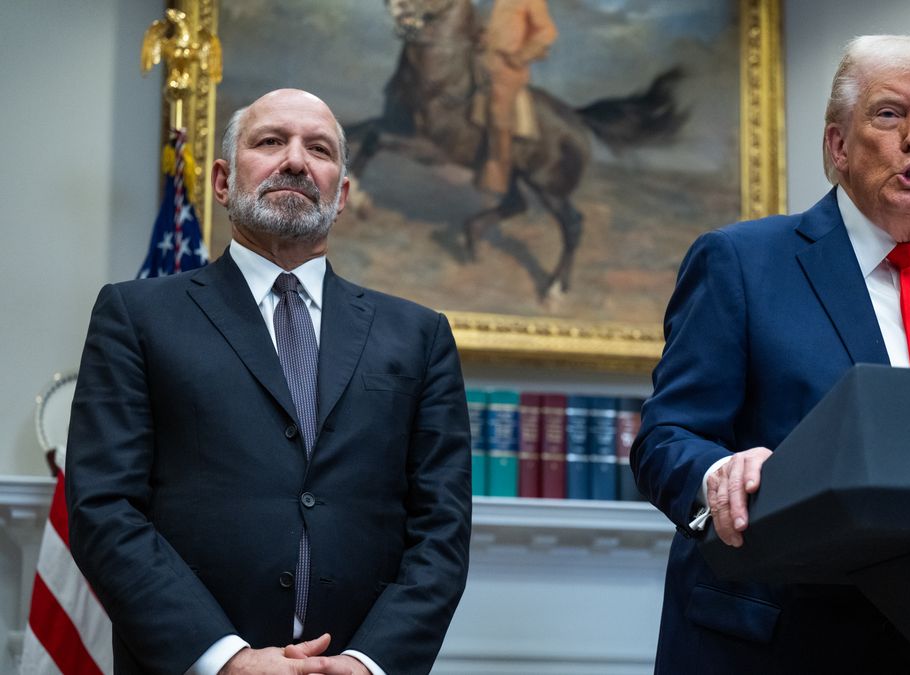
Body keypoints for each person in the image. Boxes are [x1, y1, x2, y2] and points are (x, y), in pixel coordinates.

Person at [631, 35, 910, 674]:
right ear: (838, 147)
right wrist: (717, 475)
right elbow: (666, 436)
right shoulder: (743, 262)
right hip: (781, 637)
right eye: (888, 114)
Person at [66, 89, 472, 675]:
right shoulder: (136, 316)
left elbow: (443, 529)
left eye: (319, 149)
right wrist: (226, 659)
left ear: (343, 197)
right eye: (271, 141)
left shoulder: (420, 335)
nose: (296, 161)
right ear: (224, 182)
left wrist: (367, 662)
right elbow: (104, 507)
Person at [476, 0, 558, 195]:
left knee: (498, 111)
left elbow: (547, 32)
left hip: (507, 67)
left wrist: (521, 56)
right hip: (480, 60)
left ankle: (498, 175)